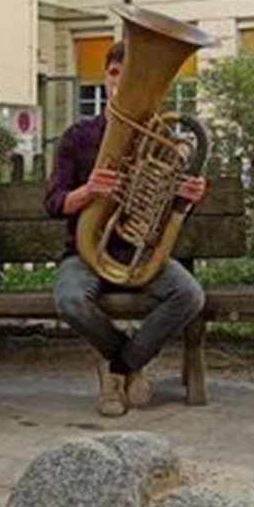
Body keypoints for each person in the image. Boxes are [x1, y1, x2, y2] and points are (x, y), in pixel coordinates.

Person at [44, 41, 206, 417]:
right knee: (69, 300)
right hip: (86, 253)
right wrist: (87, 192)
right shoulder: (77, 136)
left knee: (190, 295)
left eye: (133, 76)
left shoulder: (162, 141)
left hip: (139, 254)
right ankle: (127, 360)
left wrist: (185, 197)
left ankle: (118, 366)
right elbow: (53, 203)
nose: (122, 83)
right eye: (116, 73)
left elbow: (168, 216)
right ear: (105, 78)